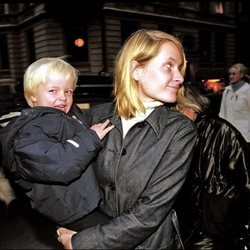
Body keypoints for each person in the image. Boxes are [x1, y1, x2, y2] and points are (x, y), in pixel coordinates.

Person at [56, 29, 197, 250]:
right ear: (136, 70)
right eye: (169, 66)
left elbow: (150, 211)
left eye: (180, 68)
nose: (179, 77)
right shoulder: (95, 116)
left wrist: (83, 242)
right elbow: (64, 172)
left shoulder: (179, 131)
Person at [0, 57, 114, 230]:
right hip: (71, 210)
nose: (63, 97)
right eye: (53, 91)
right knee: (114, 235)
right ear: (33, 96)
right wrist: (91, 137)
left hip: (85, 201)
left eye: (68, 91)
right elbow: (58, 164)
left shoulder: (65, 116)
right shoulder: (29, 129)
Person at [174, 84, 250, 249]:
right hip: (185, 221)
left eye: (179, 109)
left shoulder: (222, 131)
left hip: (216, 223)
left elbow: (244, 177)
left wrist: (227, 213)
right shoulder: (176, 134)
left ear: (192, 106)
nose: (175, 115)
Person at [219, 63, 250, 155]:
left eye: (234, 74)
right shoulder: (227, 91)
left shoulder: (248, 91)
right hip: (229, 136)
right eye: (230, 74)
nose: (231, 76)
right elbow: (222, 114)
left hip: (245, 136)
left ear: (241, 75)